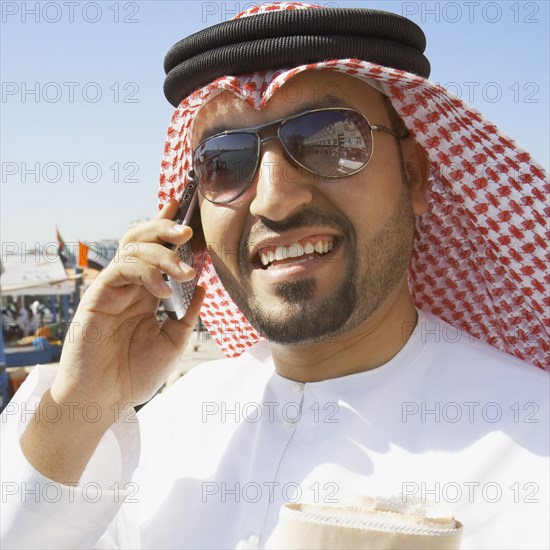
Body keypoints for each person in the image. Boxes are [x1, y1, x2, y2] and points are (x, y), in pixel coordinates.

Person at [1, 3, 548, 549]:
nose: (275, 199)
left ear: (413, 175)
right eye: (225, 162)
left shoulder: (530, 442)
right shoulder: (168, 429)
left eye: (331, 140)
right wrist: (79, 405)